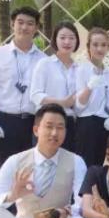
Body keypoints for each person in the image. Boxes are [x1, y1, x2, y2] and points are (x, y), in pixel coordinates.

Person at [0, 6, 47, 178]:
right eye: (20, 22)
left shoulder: (44, 60)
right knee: (3, 174)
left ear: (36, 28)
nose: (24, 27)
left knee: (30, 174)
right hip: (4, 122)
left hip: (33, 124)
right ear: (12, 24)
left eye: (30, 24)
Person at [30, 21, 80, 151]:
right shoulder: (45, 64)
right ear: (55, 40)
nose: (67, 42)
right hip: (48, 121)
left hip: (71, 124)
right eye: (62, 37)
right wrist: (62, 103)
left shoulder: (79, 68)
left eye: (71, 38)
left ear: (76, 41)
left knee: (67, 161)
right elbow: (35, 95)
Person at [74, 27, 109, 167]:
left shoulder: (108, 73)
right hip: (88, 124)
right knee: (85, 166)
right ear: (88, 47)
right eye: (95, 45)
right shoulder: (82, 70)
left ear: (108, 47)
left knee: (98, 166)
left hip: (105, 125)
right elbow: (78, 106)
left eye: (103, 45)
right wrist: (89, 87)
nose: (99, 49)